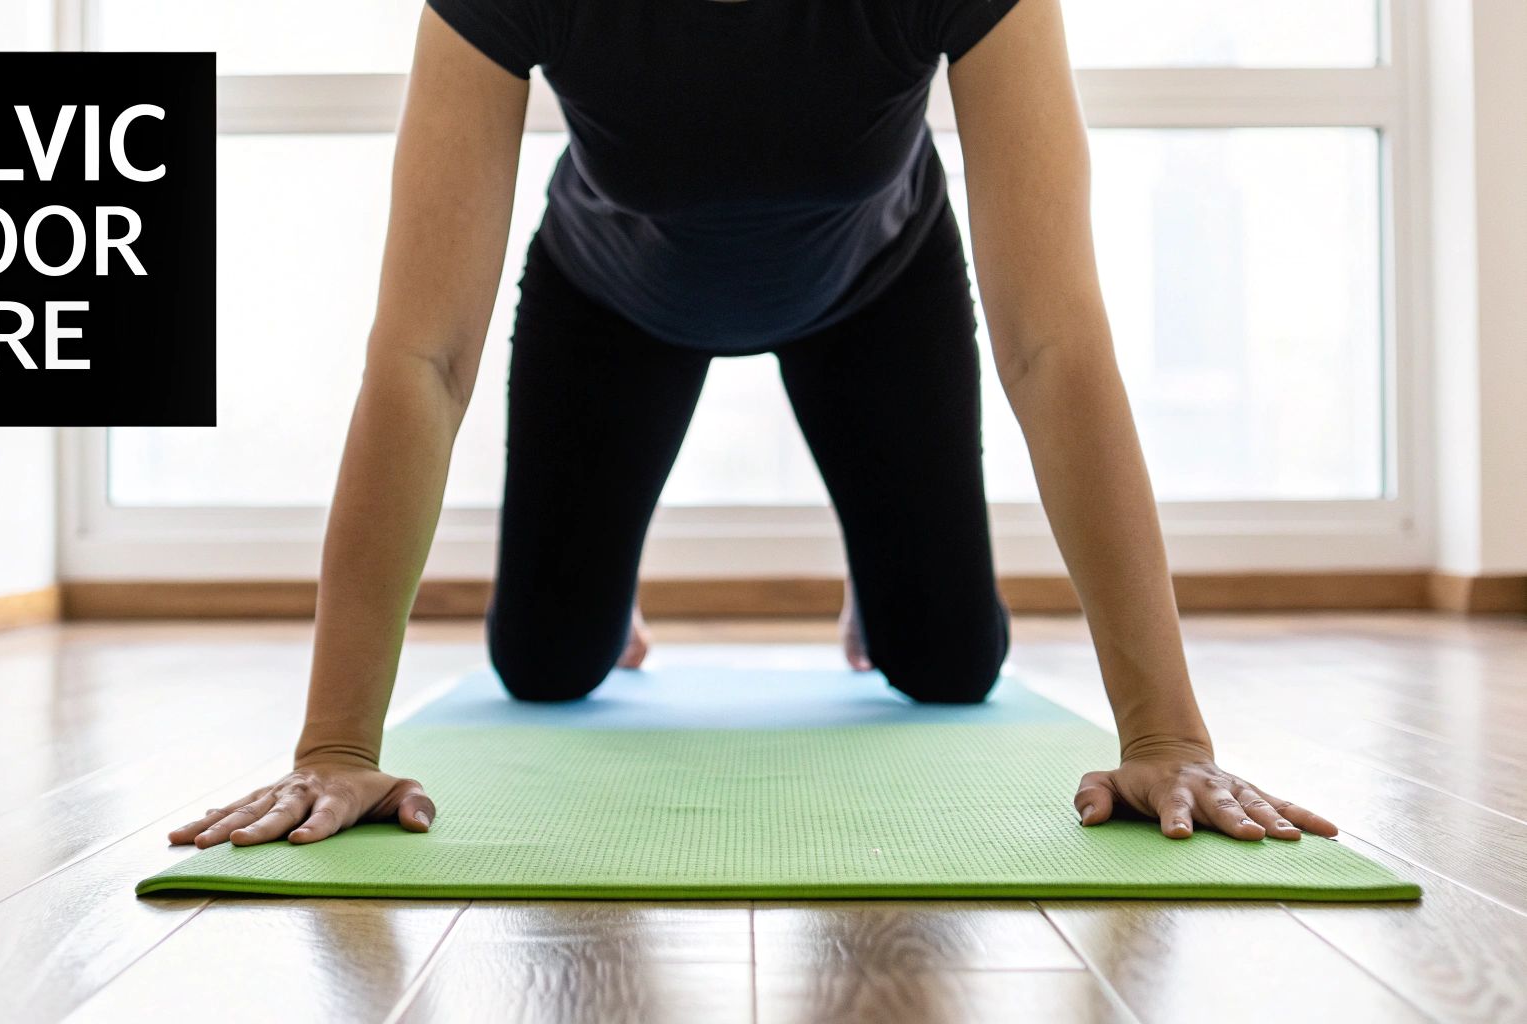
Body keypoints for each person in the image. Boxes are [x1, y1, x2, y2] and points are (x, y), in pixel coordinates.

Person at [168, 0, 1338, 851]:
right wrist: (333, 747)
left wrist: (1166, 735)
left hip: (875, 284)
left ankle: (873, 565)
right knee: (544, 664)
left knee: (942, 664)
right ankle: (610, 577)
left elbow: (1054, 344)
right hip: (611, 293)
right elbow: (422, 357)